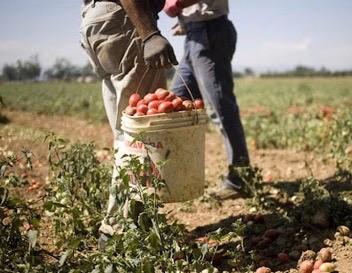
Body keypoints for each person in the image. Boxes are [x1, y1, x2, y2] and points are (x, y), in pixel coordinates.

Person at [80, 0, 178, 245]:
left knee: (126, 134)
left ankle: (128, 225)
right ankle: (119, 231)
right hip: (126, 20)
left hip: (97, 21)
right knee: (142, 134)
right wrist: (149, 33)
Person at [164, 0, 250, 199]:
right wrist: (185, 19)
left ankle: (240, 179)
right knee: (176, 103)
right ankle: (178, 176)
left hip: (211, 31)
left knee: (220, 108)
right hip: (194, 34)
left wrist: (176, 4)